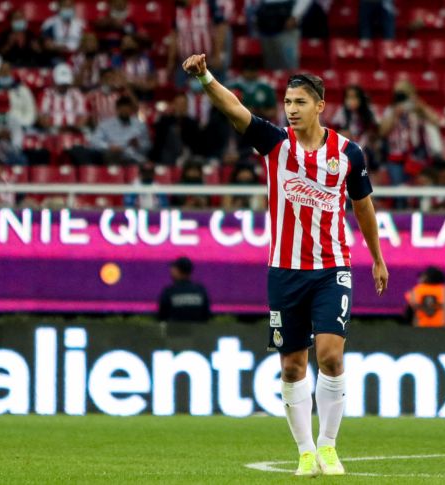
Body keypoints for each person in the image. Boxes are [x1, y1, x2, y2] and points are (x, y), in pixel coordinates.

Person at [182, 53, 389, 476]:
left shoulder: (349, 153)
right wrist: (205, 77)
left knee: (331, 356)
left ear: (319, 106)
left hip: (333, 268)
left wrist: (378, 258)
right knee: (292, 365)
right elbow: (234, 109)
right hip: (285, 270)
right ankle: (306, 451)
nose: (291, 110)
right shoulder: (276, 143)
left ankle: (329, 447)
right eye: (287, 103)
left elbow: (363, 208)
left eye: (299, 103)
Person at [89, 95, 151, 165]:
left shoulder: (140, 125)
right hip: (113, 155)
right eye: (122, 110)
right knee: (112, 156)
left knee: (146, 164)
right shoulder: (105, 124)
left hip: (134, 157)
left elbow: (147, 145)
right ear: (117, 109)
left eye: (127, 110)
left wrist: (138, 144)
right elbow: (94, 141)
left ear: (131, 110)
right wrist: (109, 147)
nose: (125, 112)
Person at [157, 257, 212, 323]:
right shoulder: (201, 291)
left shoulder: (169, 292)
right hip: (197, 332)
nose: (171, 271)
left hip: (175, 332)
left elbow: (162, 317)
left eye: (173, 268)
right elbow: (206, 316)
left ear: (177, 270)